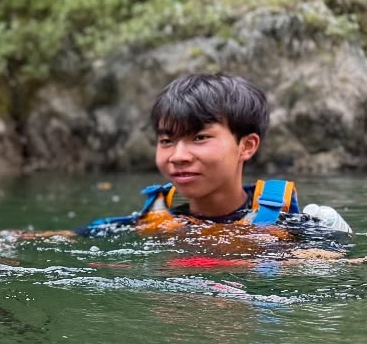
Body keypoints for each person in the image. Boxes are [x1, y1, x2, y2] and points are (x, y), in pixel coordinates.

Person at [79, 73, 351, 238]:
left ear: (246, 146)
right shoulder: (154, 222)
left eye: (200, 138)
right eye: (166, 141)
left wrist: (336, 243)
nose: (178, 156)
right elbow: (69, 238)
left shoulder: (291, 227)